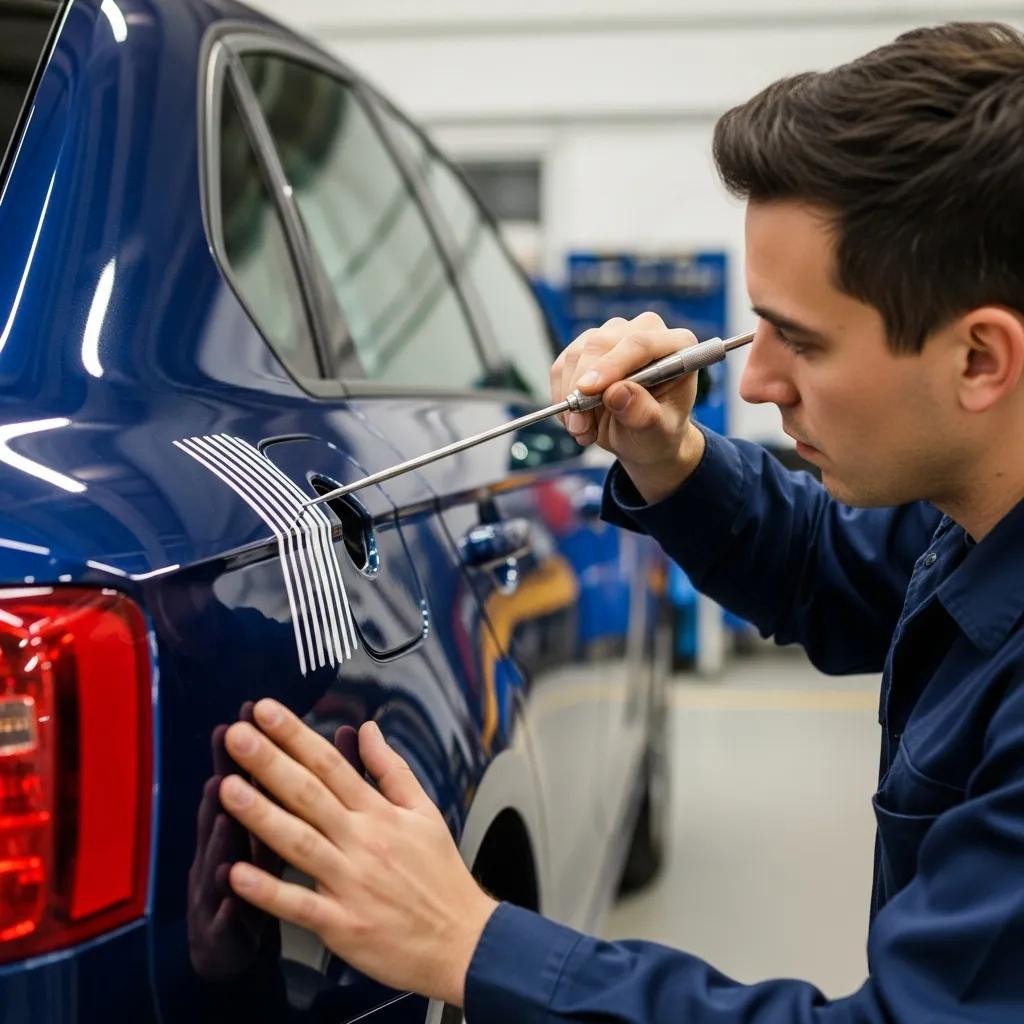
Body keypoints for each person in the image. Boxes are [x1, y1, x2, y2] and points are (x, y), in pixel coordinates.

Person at [214, 21, 1024, 1022]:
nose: (757, 380)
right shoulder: (977, 508)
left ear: (980, 359)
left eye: (802, 343)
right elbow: (834, 568)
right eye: (756, 326)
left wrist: (471, 940)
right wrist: (668, 456)